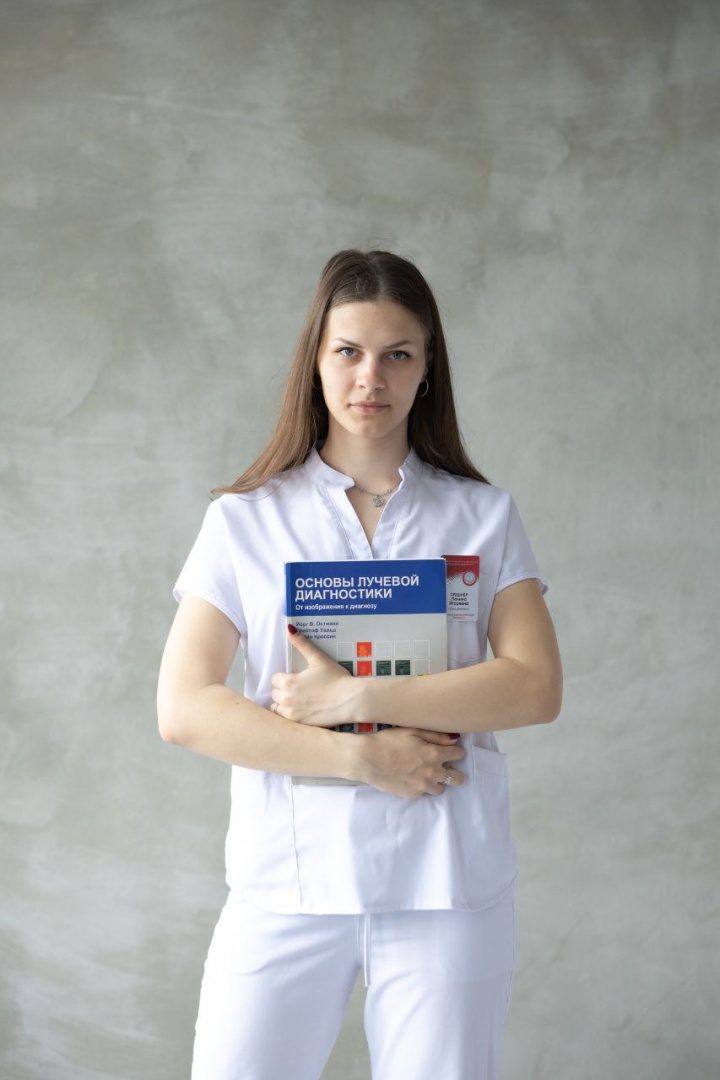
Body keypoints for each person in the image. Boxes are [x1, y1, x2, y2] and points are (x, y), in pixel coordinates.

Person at [157, 249, 562, 1080]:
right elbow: (185, 706)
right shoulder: (245, 521)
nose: (370, 377)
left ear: (427, 367)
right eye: (348, 351)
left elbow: (535, 685)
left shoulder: (482, 516)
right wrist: (358, 756)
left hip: (445, 881)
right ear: (315, 360)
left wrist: (357, 696)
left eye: (396, 354)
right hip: (288, 880)